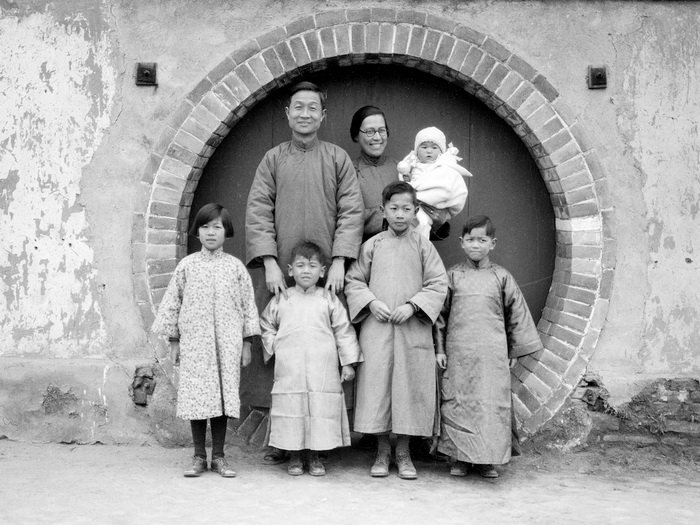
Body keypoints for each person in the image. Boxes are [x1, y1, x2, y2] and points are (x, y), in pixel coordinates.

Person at [245, 81, 364, 465]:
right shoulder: (273, 159)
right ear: (288, 113)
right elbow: (259, 209)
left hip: (327, 274)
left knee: (325, 358)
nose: (305, 114)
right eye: (299, 107)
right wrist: (269, 261)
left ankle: (322, 441)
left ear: (323, 115)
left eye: (313, 108)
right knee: (287, 359)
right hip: (284, 273)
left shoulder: (337, 158)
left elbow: (351, 210)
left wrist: (342, 261)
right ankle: (285, 440)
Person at [345, 181, 448, 480]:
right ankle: (381, 451)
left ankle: (403, 451)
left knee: (408, 385)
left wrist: (414, 306)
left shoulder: (423, 245)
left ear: (415, 211)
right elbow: (354, 280)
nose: (400, 214)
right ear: (383, 210)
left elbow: (438, 283)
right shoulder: (373, 245)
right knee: (376, 385)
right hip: (377, 328)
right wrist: (370, 302)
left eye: (406, 208)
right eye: (394, 208)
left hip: (411, 329)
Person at [152, 203, 260, 478]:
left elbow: (248, 306)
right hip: (195, 343)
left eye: (217, 227)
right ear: (197, 232)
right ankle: (199, 456)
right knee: (198, 396)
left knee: (222, 398)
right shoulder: (187, 266)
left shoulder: (235, 268)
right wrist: (175, 341)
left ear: (227, 232)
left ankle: (220, 457)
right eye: (205, 227)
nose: (211, 233)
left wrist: (247, 343)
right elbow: (173, 304)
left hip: (227, 343)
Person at [434, 215, 543, 479]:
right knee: (457, 403)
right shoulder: (452, 276)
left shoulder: (501, 277)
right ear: (461, 243)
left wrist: (513, 351)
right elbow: (440, 317)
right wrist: (439, 349)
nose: (475, 245)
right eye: (470, 240)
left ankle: (487, 461)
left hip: (492, 353)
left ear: (492, 243)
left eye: (482, 240)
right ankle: (459, 458)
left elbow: (515, 314)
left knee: (491, 404)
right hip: (458, 353)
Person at [259, 241, 362, 476]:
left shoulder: (329, 299)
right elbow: (266, 324)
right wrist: (276, 345)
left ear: (323, 272)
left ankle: (315, 456)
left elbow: (343, 331)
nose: (306, 271)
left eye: (313, 266)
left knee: (320, 409)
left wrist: (347, 363)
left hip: (322, 368)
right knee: (291, 406)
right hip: (290, 368)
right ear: (290, 270)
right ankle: (294, 456)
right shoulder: (281, 299)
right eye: (301, 265)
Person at [397, 126, 472, 239]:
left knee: (422, 224)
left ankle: (420, 247)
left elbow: (449, 186)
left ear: (441, 152)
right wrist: (407, 179)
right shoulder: (413, 166)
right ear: (417, 151)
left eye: (434, 147)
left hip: (432, 205)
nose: (429, 151)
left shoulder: (443, 168)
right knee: (413, 222)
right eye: (424, 147)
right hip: (414, 204)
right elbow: (407, 183)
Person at [350, 105, 398, 240]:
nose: (377, 137)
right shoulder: (349, 172)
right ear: (356, 135)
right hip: (365, 253)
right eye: (369, 131)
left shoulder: (401, 168)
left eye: (382, 131)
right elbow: (347, 218)